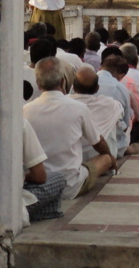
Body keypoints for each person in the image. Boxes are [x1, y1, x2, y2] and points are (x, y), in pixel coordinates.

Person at [24, 58, 116, 200]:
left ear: (38, 83)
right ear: (63, 81)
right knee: (105, 158)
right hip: (70, 185)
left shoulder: (25, 110)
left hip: (37, 183)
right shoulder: (79, 108)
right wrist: (111, 157)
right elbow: (98, 143)